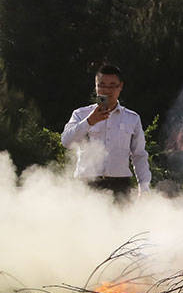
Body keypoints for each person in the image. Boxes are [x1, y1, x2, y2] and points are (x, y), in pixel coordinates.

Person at [60, 63, 152, 196]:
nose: (106, 90)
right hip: (86, 186)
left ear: (120, 86)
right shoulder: (80, 114)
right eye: (101, 85)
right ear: (96, 86)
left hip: (120, 187)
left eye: (112, 85)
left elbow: (139, 155)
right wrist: (89, 122)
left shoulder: (132, 118)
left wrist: (143, 187)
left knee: (122, 217)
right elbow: (66, 141)